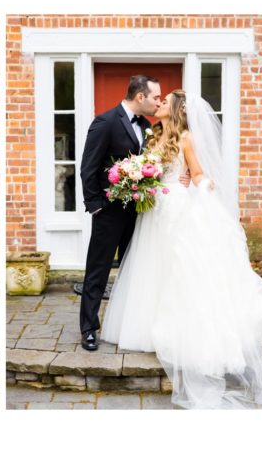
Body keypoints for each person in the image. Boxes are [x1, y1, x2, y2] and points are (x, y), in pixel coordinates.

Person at [101, 90, 262, 409]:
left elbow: (200, 172)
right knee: (152, 265)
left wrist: (202, 187)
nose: (159, 103)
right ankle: (145, 329)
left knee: (179, 267)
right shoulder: (155, 137)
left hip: (177, 205)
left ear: (176, 109)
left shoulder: (187, 138)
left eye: (165, 101)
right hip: (155, 208)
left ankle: (177, 332)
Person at [77, 75, 161, 351]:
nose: (158, 102)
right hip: (109, 212)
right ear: (140, 97)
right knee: (98, 269)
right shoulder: (106, 122)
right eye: (156, 97)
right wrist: (96, 206)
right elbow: (88, 167)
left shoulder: (148, 127)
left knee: (133, 270)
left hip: (138, 212)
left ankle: (127, 325)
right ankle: (89, 328)